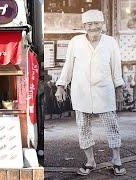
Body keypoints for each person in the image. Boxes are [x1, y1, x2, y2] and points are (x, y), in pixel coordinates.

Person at [55, 9, 126, 176]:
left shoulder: (111, 42)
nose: (93, 27)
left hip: (105, 92)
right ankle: (90, 161)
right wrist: (61, 86)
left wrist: (119, 89)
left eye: (97, 23)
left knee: (112, 127)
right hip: (81, 92)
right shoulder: (75, 42)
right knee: (83, 128)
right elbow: (68, 66)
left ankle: (117, 160)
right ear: (84, 26)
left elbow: (116, 68)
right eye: (89, 24)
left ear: (102, 25)